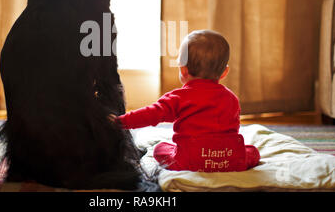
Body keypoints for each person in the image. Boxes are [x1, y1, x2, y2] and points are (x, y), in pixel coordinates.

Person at [111, 30, 260, 172]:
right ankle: (230, 161)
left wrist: (121, 121)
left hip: (189, 161)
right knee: (252, 152)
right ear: (224, 72)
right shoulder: (231, 98)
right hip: (228, 159)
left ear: (183, 70)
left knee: (160, 149)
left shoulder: (179, 98)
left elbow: (151, 114)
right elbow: (232, 129)